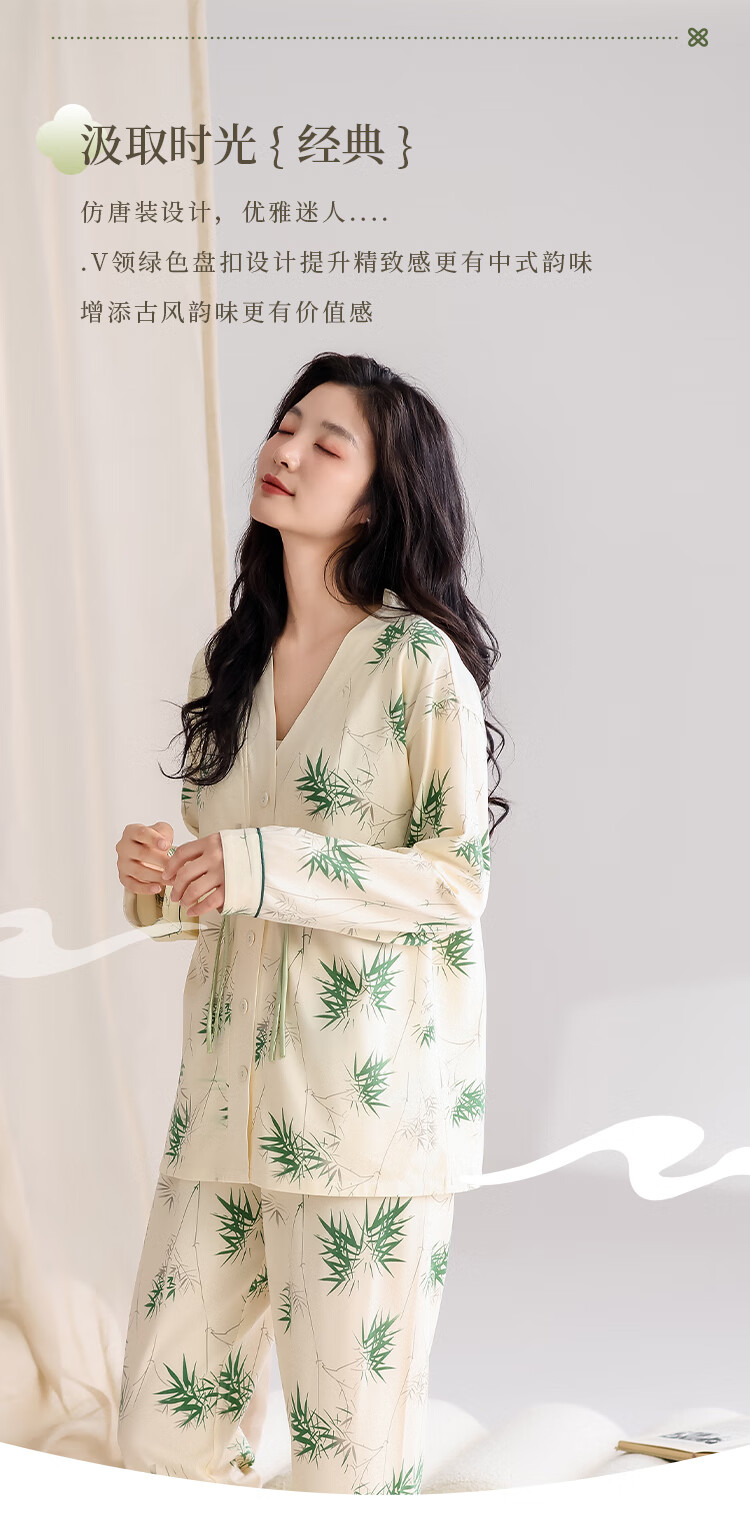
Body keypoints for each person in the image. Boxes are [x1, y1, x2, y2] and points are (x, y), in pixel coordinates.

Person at [115, 352, 509, 1492]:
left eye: (326, 443)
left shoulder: (416, 662)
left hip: (363, 1125)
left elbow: (455, 882)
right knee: (156, 1441)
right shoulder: (230, 662)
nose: (284, 450)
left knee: (350, 1467)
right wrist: (164, 879)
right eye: (285, 426)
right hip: (220, 1114)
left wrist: (259, 865)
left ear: (378, 499)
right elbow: (229, 896)